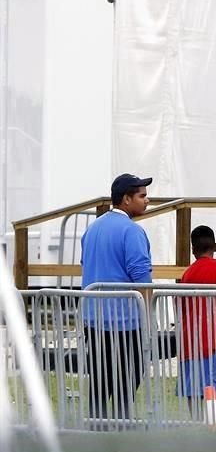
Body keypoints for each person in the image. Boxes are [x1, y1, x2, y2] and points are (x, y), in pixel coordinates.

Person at [80, 173, 153, 426]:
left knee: (100, 381)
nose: (147, 201)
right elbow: (142, 279)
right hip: (125, 320)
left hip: (93, 318)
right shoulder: (132, 231)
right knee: (126, 382)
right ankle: (122, 428)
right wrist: (149, 321)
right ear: (126, 199)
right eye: (142, 196)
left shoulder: (91, 229)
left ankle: (95, 427)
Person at [177, 225, 216, 418]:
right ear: (215, 247)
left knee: (193, 386)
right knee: (215, 385)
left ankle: (195, 425)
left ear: (193, 250)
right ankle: (212, 423)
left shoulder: (188, 274)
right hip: (214, 338)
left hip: (189, 340)